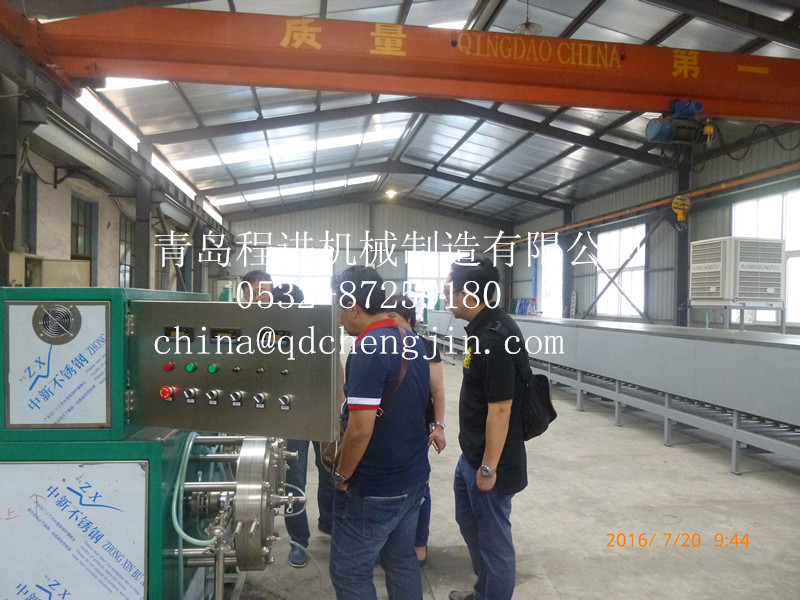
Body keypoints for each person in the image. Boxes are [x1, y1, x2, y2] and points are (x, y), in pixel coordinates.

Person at [329, 266, 431, 600]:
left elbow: (359, 431)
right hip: (412, 479)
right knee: (401, 561)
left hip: (375, 489)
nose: (338, 315)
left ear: (352, 306)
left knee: (350, 574)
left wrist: (341, 475)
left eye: (338, 305)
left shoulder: (368, 348)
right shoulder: (411, 340)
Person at [238, 272, 333, 568]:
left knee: (329, 468)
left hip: (321, 408)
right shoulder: (259, 333)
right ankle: (299, 541)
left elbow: (333, 365)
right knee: (294, 479)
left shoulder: (313, 328)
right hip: (291, 415)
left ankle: (330, 521)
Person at [446, 258, 528, 600]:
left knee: (494, 544)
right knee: (472, 527)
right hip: (473, 454)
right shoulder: (482, 329)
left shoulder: (493, 339)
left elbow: (501, 409)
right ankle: (484, 592)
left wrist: (488, 468)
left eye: (449, 291)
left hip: (490, 462)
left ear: (467, 294)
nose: (446, 298)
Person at [384, 294, 446, 566]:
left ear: (409, 318)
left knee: (420, 487)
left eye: (393, 317)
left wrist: (439, 426)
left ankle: (419, 543)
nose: (388, 323)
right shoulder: (383, 344)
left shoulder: (426, 346)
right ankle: (391, 542)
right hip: (388, 427)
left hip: (417, 428)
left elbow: (437, 390)